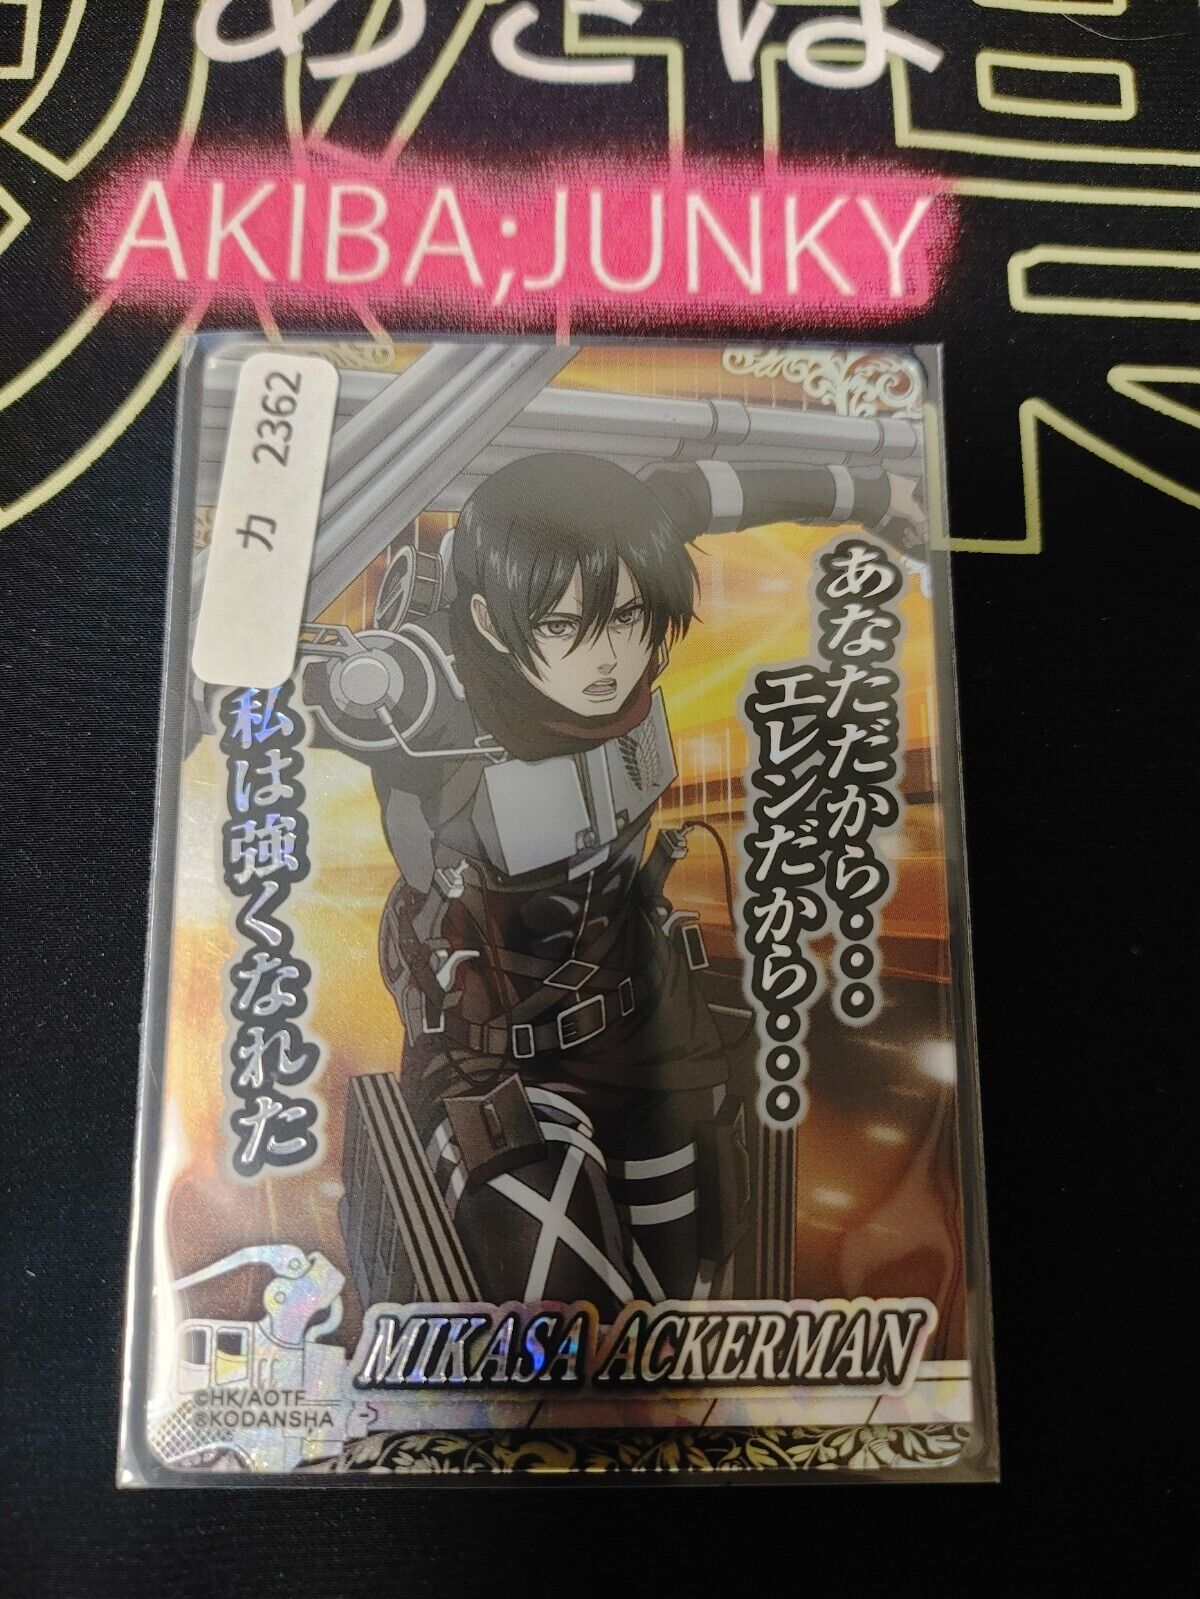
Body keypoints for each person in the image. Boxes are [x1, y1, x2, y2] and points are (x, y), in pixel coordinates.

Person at [303, 450, 917, 1318]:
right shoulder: (432, 703)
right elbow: (303, 689)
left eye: (628, 617)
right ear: (487, 620)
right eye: (561, 626)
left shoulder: (618, 536)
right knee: (567, 1305)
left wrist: (884, 493)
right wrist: (342, 687)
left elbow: (716, 490)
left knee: (683, 1296)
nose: (609, 658)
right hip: (497, 1053)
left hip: (646, 1023)